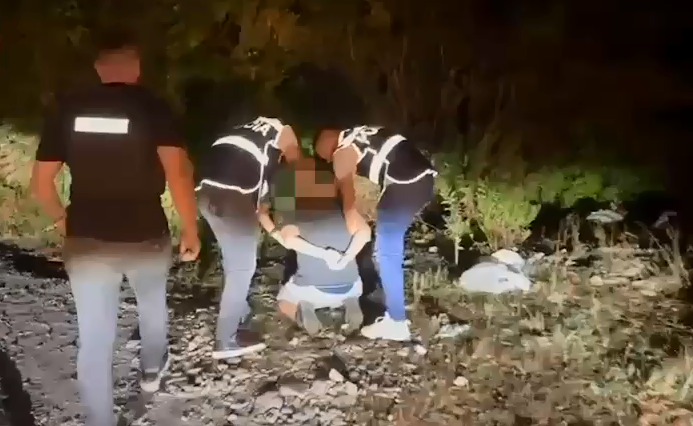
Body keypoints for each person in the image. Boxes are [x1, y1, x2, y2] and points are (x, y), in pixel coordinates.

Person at [29, 30, 200, 426]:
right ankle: (151, 375)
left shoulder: (68, 109)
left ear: (97, 67)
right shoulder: (153, 107)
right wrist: (190, 229)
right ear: (136, 67)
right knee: (152, 306)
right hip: (146, 237)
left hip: (87, 239)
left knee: (94, 340)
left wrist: (61, 219)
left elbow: (41, 183)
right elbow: (178, 174)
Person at [196, 114, 343, 359]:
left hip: (204, 192)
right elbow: (295, 166)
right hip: (232, 194)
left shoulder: (250, 141)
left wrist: (276, 230)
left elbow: (260, 210)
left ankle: (239, 310)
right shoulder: (280, 130)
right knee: (242, 268)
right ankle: (226, 340)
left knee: (234, 258)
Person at [314, 125, 436, 341]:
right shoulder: (361, 132)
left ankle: (396, 322)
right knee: (387, 250)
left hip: (404, 184)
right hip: (423, 180)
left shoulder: (342, 151)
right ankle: (394, 310)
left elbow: (346, 189)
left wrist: (351, 220)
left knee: (386, 253)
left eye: (325, 157)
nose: (328, 161)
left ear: (327, 145)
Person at [274, 157, 366, 335]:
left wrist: (323, 254)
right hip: (353, 285)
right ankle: (351, 302)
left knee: (283, 302)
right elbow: (364, 234)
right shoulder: (345, 210)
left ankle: (303, 311)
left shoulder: (293, 211)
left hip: (313, 289)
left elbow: (289, 240)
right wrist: (344, 258)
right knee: (346, 286)